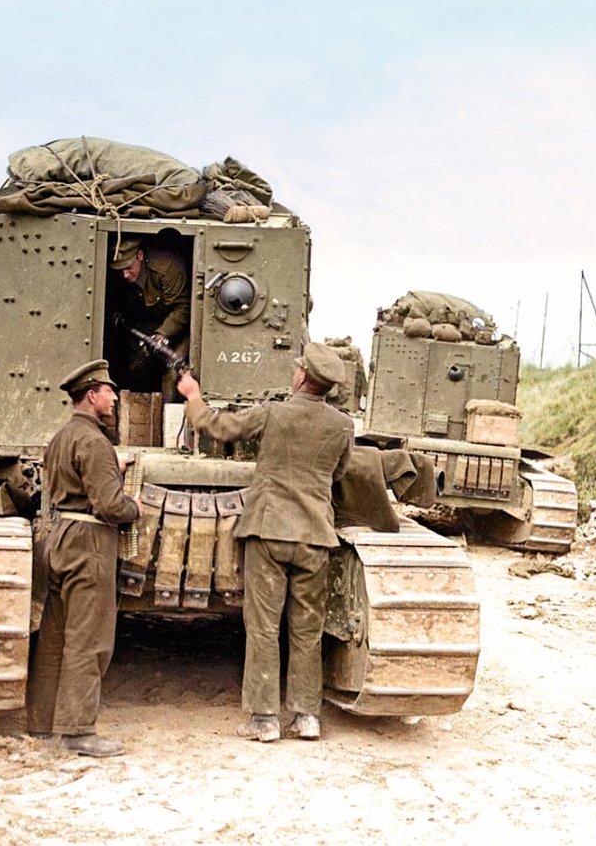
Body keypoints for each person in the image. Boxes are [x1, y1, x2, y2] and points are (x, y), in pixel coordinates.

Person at [176, 342, 353, 743]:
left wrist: (194, 396)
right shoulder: (343, 425)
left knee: (263, 627)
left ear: (303, 377)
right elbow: (340, 471)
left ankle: (263, 719)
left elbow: (219, 428)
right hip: (314, 536)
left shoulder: (273, 413)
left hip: (269, 532)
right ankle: (307, 716)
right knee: (307, 629)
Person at [26, 359, 140, 758]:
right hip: (89, 543)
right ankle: (77, 731)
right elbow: (109, 505)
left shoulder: (63, 436)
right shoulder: (95, 443)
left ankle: (41, 721)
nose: (113, 397)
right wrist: (134, 507)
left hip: (58, 538)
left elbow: (76, 477)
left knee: (55, 636)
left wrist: (113, 465)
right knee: (89, 638)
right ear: (92, 395)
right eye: (109, 391)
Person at [110, 237, 189, 400]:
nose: (125, 274)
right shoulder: (126, 275)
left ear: (139, 255)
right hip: (148, 325)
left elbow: (184, 308)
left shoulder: (166, 268)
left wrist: (162, 335)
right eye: (121, 270)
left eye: (129, 268)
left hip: (180, 327)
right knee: (136, 366)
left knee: (173, 374)